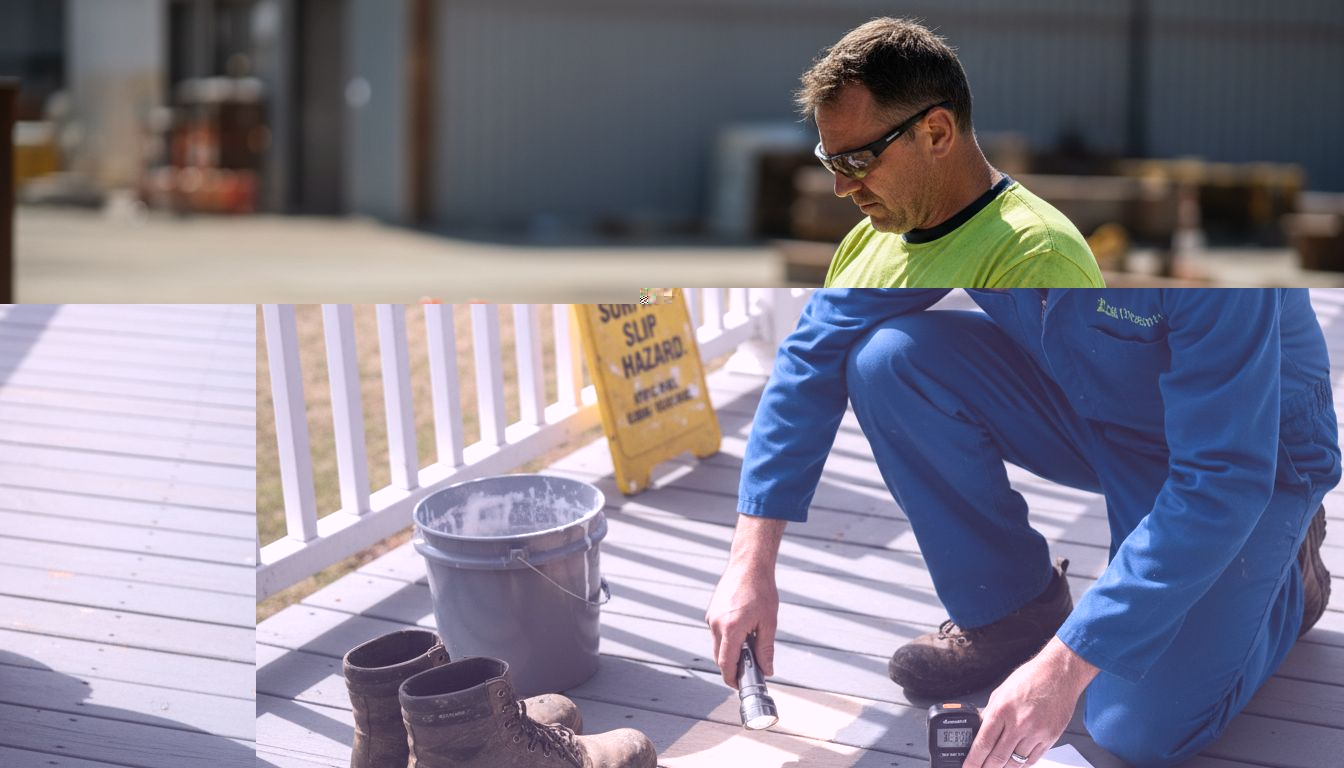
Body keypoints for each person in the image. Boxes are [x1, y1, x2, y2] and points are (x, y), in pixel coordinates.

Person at [705, 289, 1337, 767]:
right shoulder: (941, 190)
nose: (850, 186)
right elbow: (818, 343)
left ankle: (1288, 581)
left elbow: (1224, 478)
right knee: (890, 361)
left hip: (1247, 452)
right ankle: (1011, 610)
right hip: (1099, 408)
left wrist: (1066, 665)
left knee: (1135, 729)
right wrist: (750, 561)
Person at [798, 18, 1105, 289]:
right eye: (830, 161)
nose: (841, 188)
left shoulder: (1036, 258)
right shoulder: (860, 244)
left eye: (856, 160)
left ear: (937, 133)